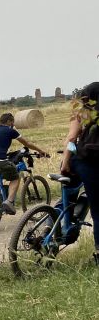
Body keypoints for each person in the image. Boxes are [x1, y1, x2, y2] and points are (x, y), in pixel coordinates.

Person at [61, 82, 99, 265]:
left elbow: (71, 138)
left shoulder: (81, 112)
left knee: (69, 192)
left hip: (83, 160)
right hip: (94, 163)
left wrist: (65, 161)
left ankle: (52, 227)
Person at [0, 113, 50, 214]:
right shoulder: (11, 130)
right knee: (15, 177)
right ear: (9, 121)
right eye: (12, 122)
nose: (13, 124)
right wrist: (40, 151)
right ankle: (9, 201)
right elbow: (27, 143)